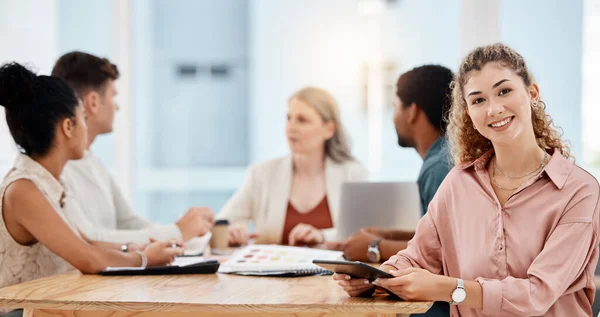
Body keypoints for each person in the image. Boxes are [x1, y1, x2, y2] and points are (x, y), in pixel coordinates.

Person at [334, 43, 600, 316]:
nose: (493, 109)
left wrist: (448, 289)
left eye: (504, 91)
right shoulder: (458, 183)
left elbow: (537, 295)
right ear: (469, 114)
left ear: (532, 93)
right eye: (478, 100)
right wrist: (376, 277)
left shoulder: (579, 190)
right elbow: (417, 257)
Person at [0, 63, 183, 316]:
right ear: (68, 127)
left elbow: (87, 242)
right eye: (82, 119)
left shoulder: (48, 183)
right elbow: (87, 258)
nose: (86, 128)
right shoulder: (23, 189)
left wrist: (134, 250)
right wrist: (144, 259)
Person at [51, 51, 214, 245]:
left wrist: (198, 238)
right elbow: (90, 238)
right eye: (113, 97)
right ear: (93, 102)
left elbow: (128, 222)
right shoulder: (58, 168)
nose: (117, 107)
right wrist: (176, 232)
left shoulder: (92, 161)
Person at [218, 87, 367, 246]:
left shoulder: (353, 174)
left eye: (302, 120)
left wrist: (322, 236)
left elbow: (364, 233)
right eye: (289, 118)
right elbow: (221, 224)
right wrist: (233, 231)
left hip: (333, 271)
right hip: (272, 269)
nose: (291, 127)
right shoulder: (262, 173)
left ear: (329, 129)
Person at [340, 65, 454, 263]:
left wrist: (374, 248)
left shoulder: (439, 167)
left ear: (412, 111)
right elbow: (435, 237)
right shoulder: (445, 156)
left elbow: (445, 250)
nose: (393, 118)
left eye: (395, 106)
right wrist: (387, 236)